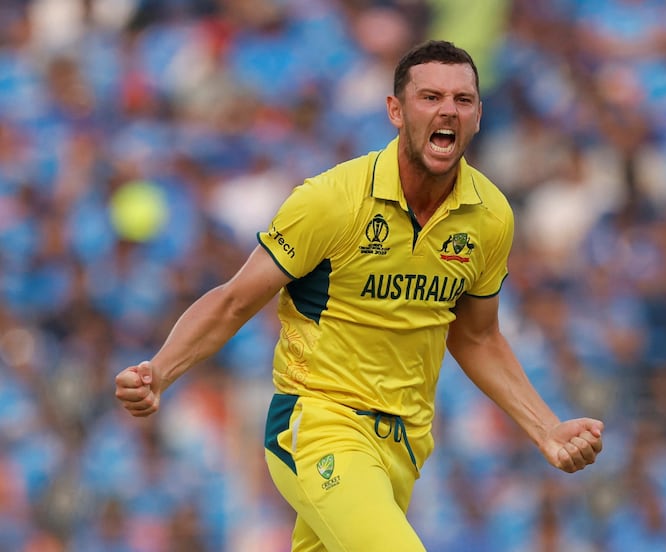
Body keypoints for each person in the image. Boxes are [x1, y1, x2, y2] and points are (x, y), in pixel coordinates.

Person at [114, 40, 605, 551]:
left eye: (462, 100)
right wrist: (161, 371)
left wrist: (546, 428)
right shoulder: (333, 200)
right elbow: (236, 299)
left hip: (405, 447)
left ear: (479, 115)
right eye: (430, 96)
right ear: (395, 110)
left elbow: (478, 337)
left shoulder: (490, 216)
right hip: (318, 425)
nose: (447, 110)